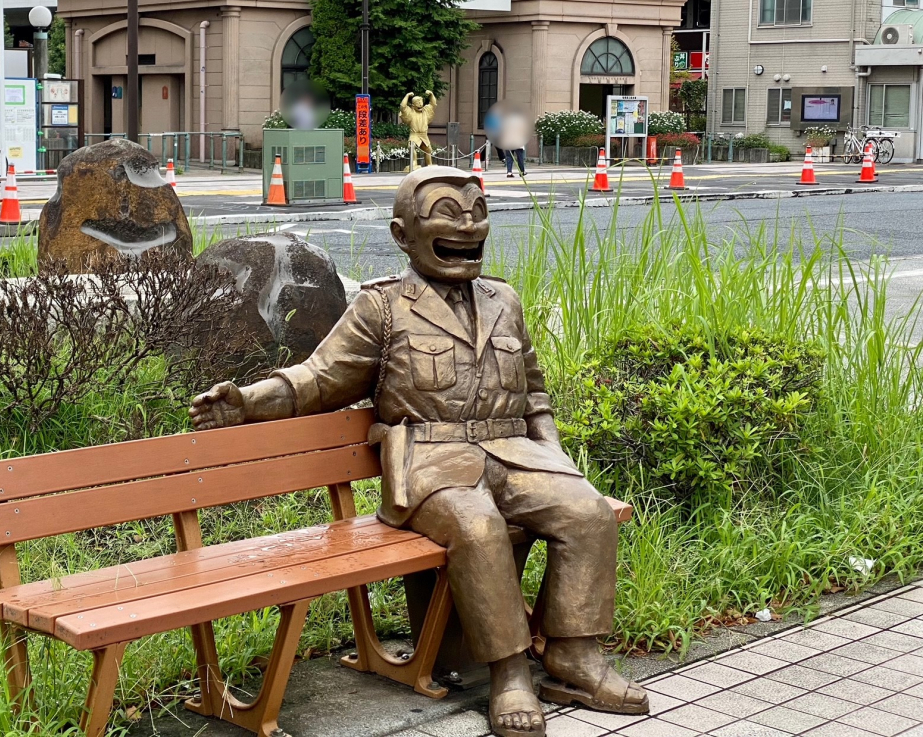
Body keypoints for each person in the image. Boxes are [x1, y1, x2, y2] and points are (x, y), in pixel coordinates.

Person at [190, 167, 648, 737]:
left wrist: (557, 458)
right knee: (476, 526)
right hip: (430, 466)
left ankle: (573, 657)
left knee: (587, 511)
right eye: (446, 215)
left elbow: (535, 393)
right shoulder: (381, 308)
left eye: (476, 213)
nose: (467, 225)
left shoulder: (503, 299)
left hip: (515, 454)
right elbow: (317, 379)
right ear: (402, 234)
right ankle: (508, 674)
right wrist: (248, 401)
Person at [400, 90, 437, 170]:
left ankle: (429, 164)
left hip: (424, 134)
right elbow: (403, 107)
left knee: (428, 149)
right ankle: (414, 163)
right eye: (418, 103)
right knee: (412, 147)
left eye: (421, 102)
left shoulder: (426, 111)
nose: (420, 104)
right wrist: (407, 95)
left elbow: (433, 104)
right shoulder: (410, 112)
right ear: (413, 105)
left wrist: (431, 94)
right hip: (415, 134)